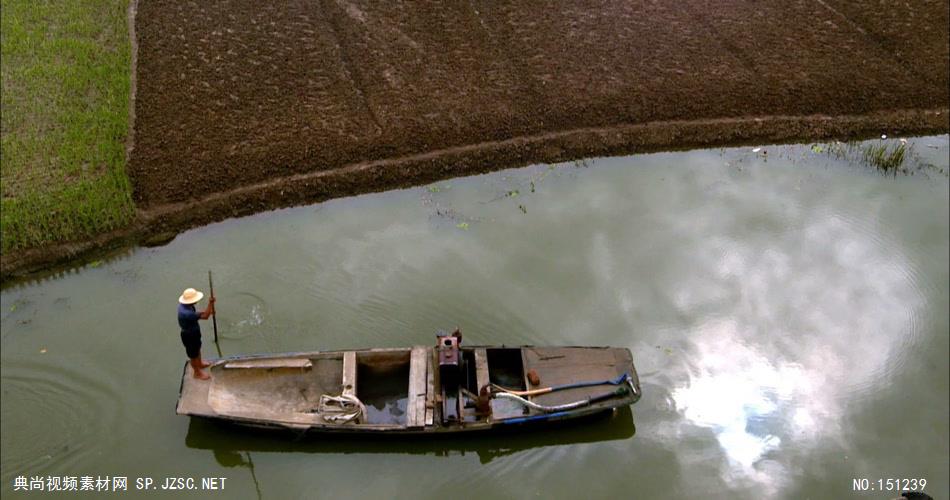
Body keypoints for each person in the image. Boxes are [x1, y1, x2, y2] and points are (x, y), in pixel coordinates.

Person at [178, 287, 216, 380]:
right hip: (189, 335)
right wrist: (210, 304)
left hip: (194, 332)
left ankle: (200, 364)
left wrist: (209, 311)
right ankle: (197, 373)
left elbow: (200, 314)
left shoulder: (185, 305)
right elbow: (205, 316)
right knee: (193, 355)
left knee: (197, 348)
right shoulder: (186, 313)